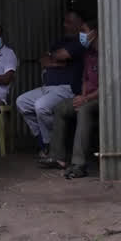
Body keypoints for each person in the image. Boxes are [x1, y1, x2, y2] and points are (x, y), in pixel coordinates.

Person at [15, 11, 86, 157]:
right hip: (47, 87)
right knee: (22, 102)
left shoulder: (81, 42)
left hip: (66, 88)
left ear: (79, 24)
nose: (65, 25)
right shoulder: (60, 42)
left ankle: (51, 144)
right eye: (65, 22)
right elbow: (44, 60)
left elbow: (61, 55)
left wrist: (55, 58)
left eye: (69, 22)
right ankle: (46, 139)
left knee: (41, 106)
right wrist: (57, 60)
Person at [39, 20, 99, 178]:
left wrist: (86, 99)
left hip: (102, 98)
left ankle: (79, 164)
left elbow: (107, 86)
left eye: (84, 31)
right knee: (61, 108)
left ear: (95, 33)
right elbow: (85, 79)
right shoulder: (89, 54)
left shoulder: (105, 54)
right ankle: (57, 156)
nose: (82, 35)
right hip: (89, 97)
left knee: (84, 110)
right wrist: (83, 96)